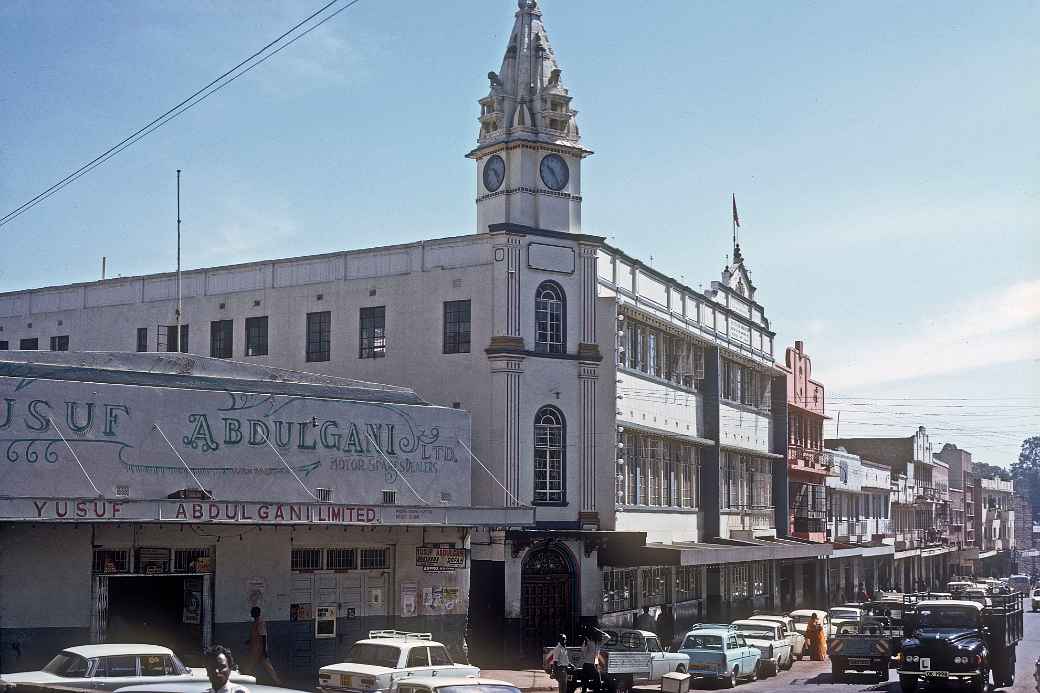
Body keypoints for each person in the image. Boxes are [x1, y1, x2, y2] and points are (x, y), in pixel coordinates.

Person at [246, 607, 282, 686]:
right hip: (255, 648)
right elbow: (255, 635)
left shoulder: (260, 622)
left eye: (252, 612)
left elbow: (263, 636)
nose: (251, 613)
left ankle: (277, 681)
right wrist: (249, 641)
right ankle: (277, 681)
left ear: (256, 613)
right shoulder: (255, 622)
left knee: (255, 665)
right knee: (261, 665)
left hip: (259, 649)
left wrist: (264, 650)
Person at [579, 625, 608, 693]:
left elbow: (608, 637)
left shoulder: (598, 643)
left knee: (598, 683)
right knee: (586, 685)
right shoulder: (588, 642)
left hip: (594, 665)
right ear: (594, 635)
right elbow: (583, 651)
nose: (600, 637)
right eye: (598, 635)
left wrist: (599, 631)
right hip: (588, 664)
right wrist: (585, 644)